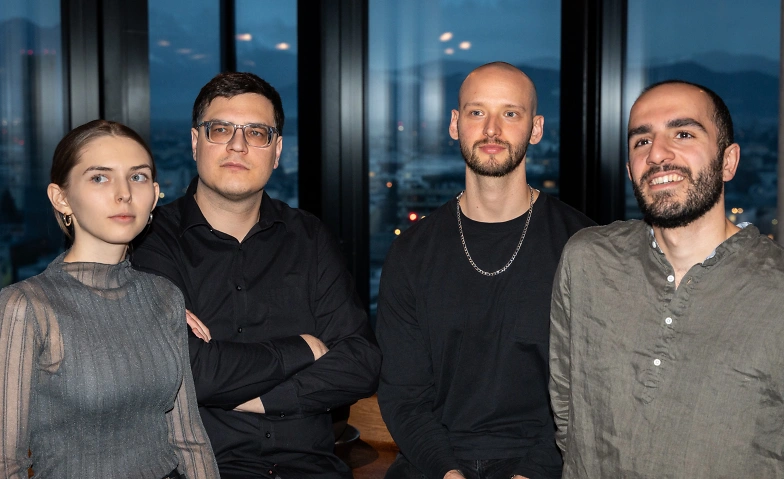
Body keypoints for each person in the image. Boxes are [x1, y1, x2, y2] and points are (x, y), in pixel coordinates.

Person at [131, 71, 382, 478]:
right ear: (195, 142)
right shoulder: (151, 240)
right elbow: (187, 369)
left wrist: (259, 399)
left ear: (277, 151)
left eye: (256, 133)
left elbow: (361, 361)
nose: (238, 145)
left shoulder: (310, 237)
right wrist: (302, 348)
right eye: (220, 129)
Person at [549, 80, 784, 477]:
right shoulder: (587, 261)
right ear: (629, 169)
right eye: (642, 141)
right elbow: (566, 408)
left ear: (728, 162)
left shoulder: (776, 289)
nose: (657, 153)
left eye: (683, 134)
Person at [375, 62, 595, 479]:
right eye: (477, 112)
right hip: (435, 464)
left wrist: (532, 473)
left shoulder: (582, 246)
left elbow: (592, 391)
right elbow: (403, 395)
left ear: (536, 129)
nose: (492, 129)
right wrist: (448, 472)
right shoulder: (411, 252)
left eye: (510, 113)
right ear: (454, 124)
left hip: (549, 464)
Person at [0, 120, 219, 478]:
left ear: (154, 194)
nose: (124, 194)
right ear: (61, 197)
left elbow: (188, 438)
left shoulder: (164, 296)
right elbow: (6, 462)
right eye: (100, 177)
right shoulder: (27, 306)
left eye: (138, 177)